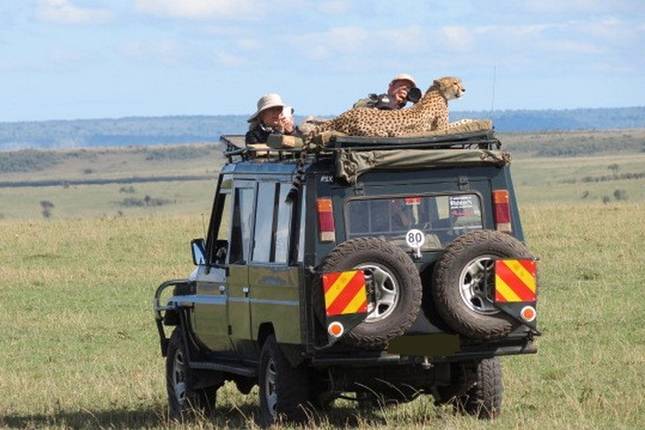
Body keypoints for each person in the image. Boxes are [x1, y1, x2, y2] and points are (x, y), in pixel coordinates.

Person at [353, 73, 419, 110]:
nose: (404, 91)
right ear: (391, 87)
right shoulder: (376, 100)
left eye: (408, 89)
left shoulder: (406, 115)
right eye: (401, 86)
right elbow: (357, 106)